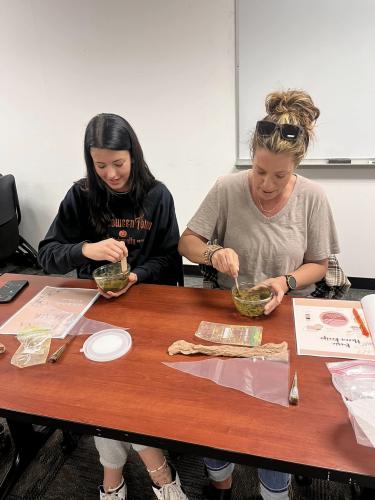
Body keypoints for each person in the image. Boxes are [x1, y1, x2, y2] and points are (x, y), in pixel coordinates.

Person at [178, 90, 340, 500]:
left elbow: (319, 264)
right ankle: (221, 480)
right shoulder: (227, 188)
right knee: (219, 409)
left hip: (282, 315)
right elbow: (187, 242)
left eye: (279, 176)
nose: (266, 184)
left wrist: (285, 282)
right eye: (258, 170)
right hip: (230, 312)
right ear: (251, 156)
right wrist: (214, 252)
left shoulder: (313, 199)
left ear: (296, 168)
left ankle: (274, 484)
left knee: (275, 415)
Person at [38, 113, 187, 500]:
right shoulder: (82, 194)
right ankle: (133, 468)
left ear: (133, 156)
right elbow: (47, 255)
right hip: (96, 308)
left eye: (118, 164)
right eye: (100, 165)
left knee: (131, 391)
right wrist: (85, 249)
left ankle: (125, 472)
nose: (110, 174)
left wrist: (136, 275)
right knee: (99, 392)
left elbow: (171, 262)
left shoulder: (157, 196)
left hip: (146, 306)